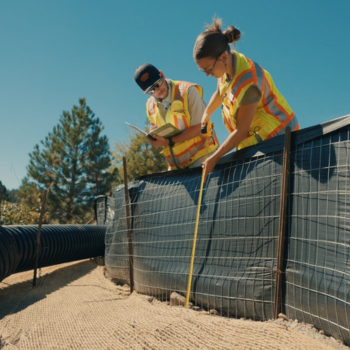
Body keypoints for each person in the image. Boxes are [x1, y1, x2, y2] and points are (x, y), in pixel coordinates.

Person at [193, 18, 300, 180]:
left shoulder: (249, 81)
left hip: (281, 140)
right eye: (203, 71)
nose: (208, 74)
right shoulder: (226, 65)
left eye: (208, 69)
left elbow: (241, 131)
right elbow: (220, 91)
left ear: (222, 57)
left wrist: (214, 158)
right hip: (262, 144)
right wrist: (206, 114)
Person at [134, 63, 218, 170]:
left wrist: (168, 141)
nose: (157, 90)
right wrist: (155, 135)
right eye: (151, 90)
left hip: (204, 158)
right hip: (176, 167)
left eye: (158, 83)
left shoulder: (188, 91)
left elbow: (199, 128)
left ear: (162, 75)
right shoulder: (149, 106)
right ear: (145, 93)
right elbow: (161, 133)